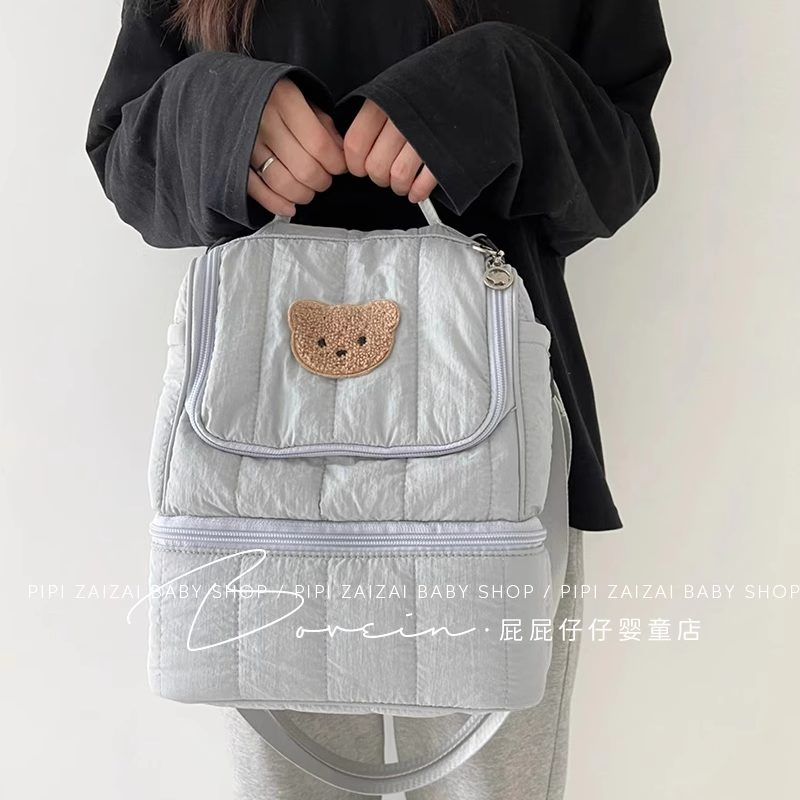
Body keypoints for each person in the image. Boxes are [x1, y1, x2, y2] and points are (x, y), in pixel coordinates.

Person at [86, 1, 671, 797]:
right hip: (263, 451)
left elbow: (622, 164)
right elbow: (124, 156)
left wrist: (494, 86)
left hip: (486, 454)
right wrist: (225, 114)